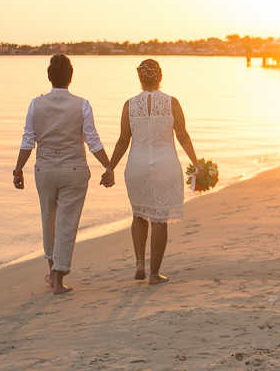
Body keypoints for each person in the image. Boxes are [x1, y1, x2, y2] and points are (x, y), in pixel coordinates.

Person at [12, 55, 114, 295]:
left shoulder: (35, 105)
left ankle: (53, 273)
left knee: (48, 221)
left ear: (49, 77)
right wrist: (108, 167)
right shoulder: (82, 104)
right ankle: (58, 280)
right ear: (71, 77)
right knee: (66, 225)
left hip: (45, 170)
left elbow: (28, 141)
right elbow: (92, 140)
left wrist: (18, 170)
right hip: (74, 170)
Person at [105, 59, 199, 285]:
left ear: (140, 79)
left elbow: (123, 140)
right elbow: (182, 135)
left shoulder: (129, 105)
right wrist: (196, 163)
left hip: (137, 166)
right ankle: (154, 275)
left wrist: (110, 167)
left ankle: (140, 263)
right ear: (160, 77)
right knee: (159, 219)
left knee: (139, 214)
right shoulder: (172, 102)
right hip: (164, 166)